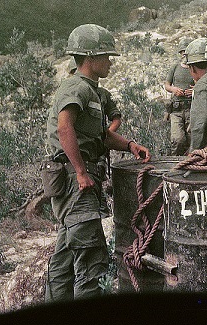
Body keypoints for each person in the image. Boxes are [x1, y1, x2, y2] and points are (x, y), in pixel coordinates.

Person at [45, 24, 150, 301]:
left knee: (66, 256)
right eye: (106, 56)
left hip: (75, 180)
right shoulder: (76, 87)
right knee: (91, 258)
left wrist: (129, 145)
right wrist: (80, 171)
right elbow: (64, 127)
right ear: (90, 58)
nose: (110, 63)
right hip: (75, 182)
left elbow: (100, 136)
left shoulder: (91, 91)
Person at [163, 38, 194, 156]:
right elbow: (167, 85)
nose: (185, 55)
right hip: (176, 110)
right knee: (177, 140)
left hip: (192, 109)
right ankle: (174, 164)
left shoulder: (195, 68)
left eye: (187, 52)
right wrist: (174, 90)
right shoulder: (175, 67)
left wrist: (194, 91)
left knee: (192, 140)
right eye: (182, 52)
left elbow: (203, 83)